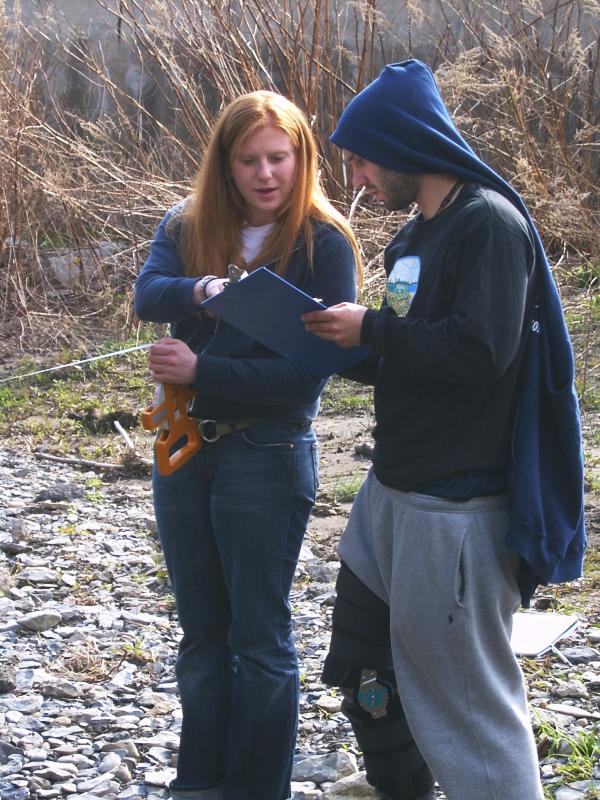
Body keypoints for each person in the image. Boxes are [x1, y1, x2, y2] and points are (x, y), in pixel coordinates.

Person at [302, 60, 586, 800]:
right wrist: (335, 344)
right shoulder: (414, 237)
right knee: (368, 670)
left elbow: (480, 352)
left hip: (454, 514)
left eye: (361, 159)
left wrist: (374, 330)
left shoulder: (489, 224)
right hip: (388, 498)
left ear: (400, 142)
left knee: (471, 708)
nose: (357, 178)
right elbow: (408, 352)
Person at [134, 90, 361, 800]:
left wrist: (204, 369)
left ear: (301, 159)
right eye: (249, 160)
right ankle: (198, 783)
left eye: (279, 158)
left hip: (269, 451)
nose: (266, 174)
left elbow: (303, 379)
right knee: (201, 632)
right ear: (225, 166)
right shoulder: (187, 224)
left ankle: (256, 789)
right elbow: (149, 294)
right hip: (186, 450)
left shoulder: (325, 244)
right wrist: (202, 289)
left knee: (258, 638)